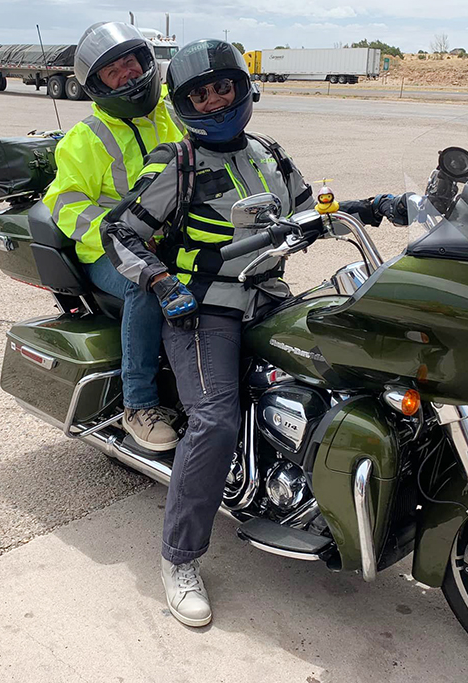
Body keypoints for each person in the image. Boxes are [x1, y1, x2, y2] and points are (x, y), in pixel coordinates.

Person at [100, 39, 410, 628]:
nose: (215, 100)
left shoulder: (270, 154)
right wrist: (163, 281)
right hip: (203, 309)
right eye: (201, 92)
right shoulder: (179, 164)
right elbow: (122, 232)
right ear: (183, 102)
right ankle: (179, 558)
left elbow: (310, 209)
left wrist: (377, 207)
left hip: (268, 299)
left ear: (244, 89)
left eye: (223, 87)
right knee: (214, 418)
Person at [43, 22, 183, 452]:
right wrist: (123, 236)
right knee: (147, 285)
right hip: (108, 252)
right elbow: (65, 203)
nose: (127, 75)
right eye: (113, 72)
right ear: (98, 85)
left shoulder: (172, 116)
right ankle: (138, 404)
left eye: (131, 63)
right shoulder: (85, 139)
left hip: (170, 238)